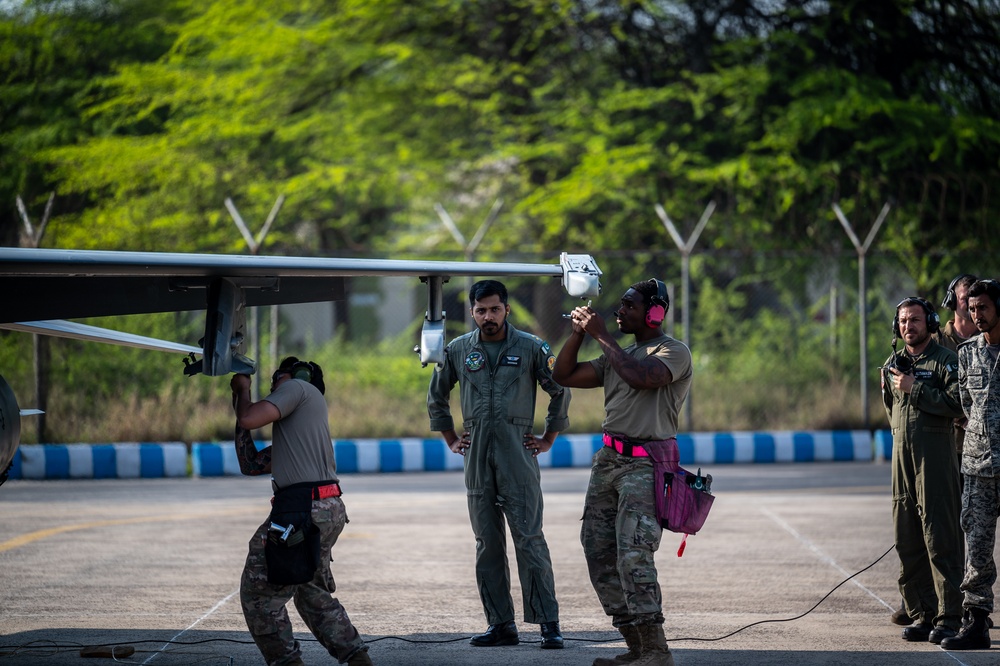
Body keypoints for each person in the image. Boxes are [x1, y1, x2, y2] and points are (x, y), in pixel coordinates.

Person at [552, 278, 693, 666]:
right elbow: (563, 375)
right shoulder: (619, 353)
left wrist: (600, 336)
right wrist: (578, 334)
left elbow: (640, 376)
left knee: (634, 555)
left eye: (629, 306)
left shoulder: (672, 352)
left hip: (646, 463)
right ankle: (636, 646)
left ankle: (656, 649)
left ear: (654, 313)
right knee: (598, 551)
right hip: (609, 461)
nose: (619, 311)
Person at [426, 279, 570, 650]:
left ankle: (548, 624)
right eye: (480, 310)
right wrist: (452, 439)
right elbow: (436, 398)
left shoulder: (531, 347)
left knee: (529, 539)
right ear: (472, 312)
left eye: (494, 309)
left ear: (506, 309)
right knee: (486, 543)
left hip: (517, 454)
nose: (487, 317)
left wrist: (548, 438)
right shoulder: (457, 350)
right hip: (476, 458)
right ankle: (500, 624)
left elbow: (560, 390)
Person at [231, 357, 373, 666]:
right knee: (311, 593)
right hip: (325, 507)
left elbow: (250, 418)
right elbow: (251, 463)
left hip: (303, 508)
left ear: (298, 376)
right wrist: (238, 403)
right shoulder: (299, 426)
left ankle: (287, 662)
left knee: (259, 595)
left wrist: (243, 390)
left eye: (277, 377)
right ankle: (358, 658)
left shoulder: (298, 387)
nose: (273, 384)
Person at [880, 298, 965, 644]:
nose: (908, 326)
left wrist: (917, 389)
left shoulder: (946, 362)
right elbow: (890, 409)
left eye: (915, 320)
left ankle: (949, 616)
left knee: (940, 536)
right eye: (902, 321)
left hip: (936, 461)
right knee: (907, 538)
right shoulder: (892, 365)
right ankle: (922, 613)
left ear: (929, 322)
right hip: (902, 460)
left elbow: (958, 403)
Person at [942, 279, 1000, 650]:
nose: (976, 315)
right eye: (972, 308)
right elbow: (966, 404)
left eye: (983, 308)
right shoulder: (966, 353)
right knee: (977, 547)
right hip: (979, 465)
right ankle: (976, 621)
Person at [938, 273, 980, 352]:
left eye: (975, 298)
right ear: (952, 300)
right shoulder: (936, 340)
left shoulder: (989, 338)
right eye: (965, 298)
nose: (971, 303)